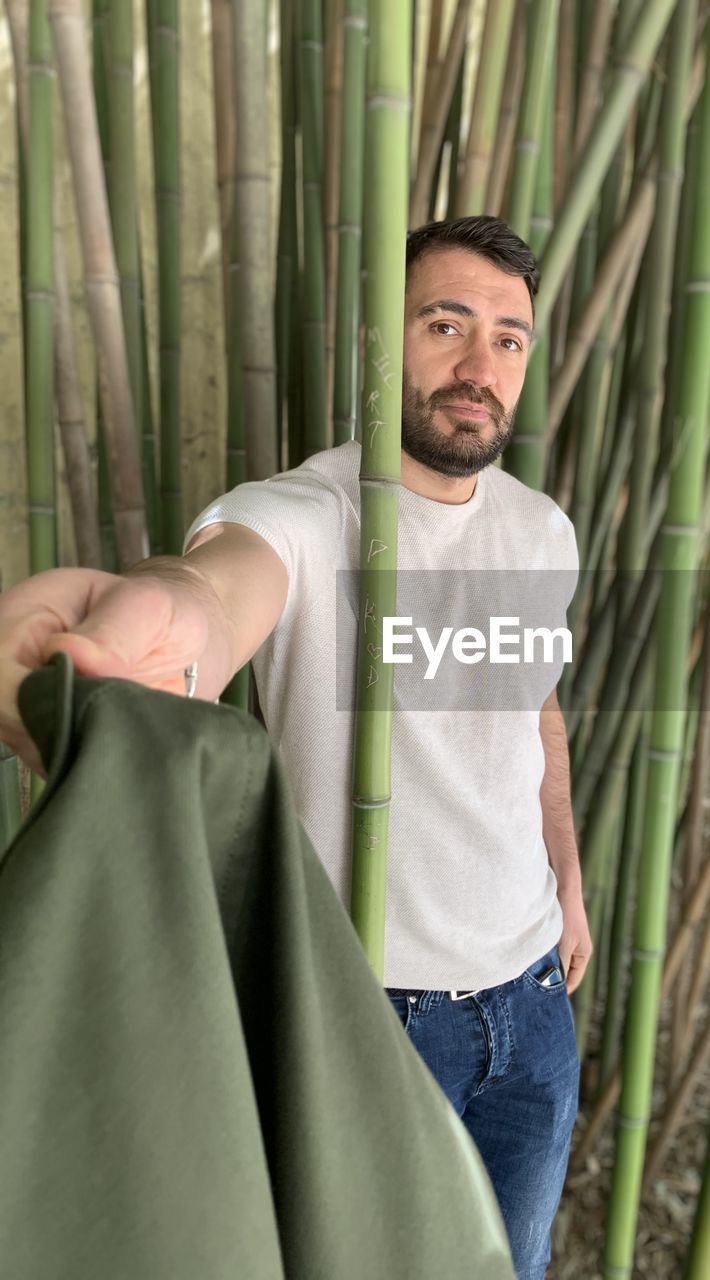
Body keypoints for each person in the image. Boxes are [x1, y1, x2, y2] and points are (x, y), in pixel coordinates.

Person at [0, 215, 592, 1280]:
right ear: (379, 342)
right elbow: (216, 592)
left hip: (533, 1007)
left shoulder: (541, 530)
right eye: (444, 322)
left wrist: (571, 883)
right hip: (369, 1015)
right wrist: (166, 630)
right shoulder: (307, 514)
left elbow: (535, 709)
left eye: (508, 337)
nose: (478, 364)